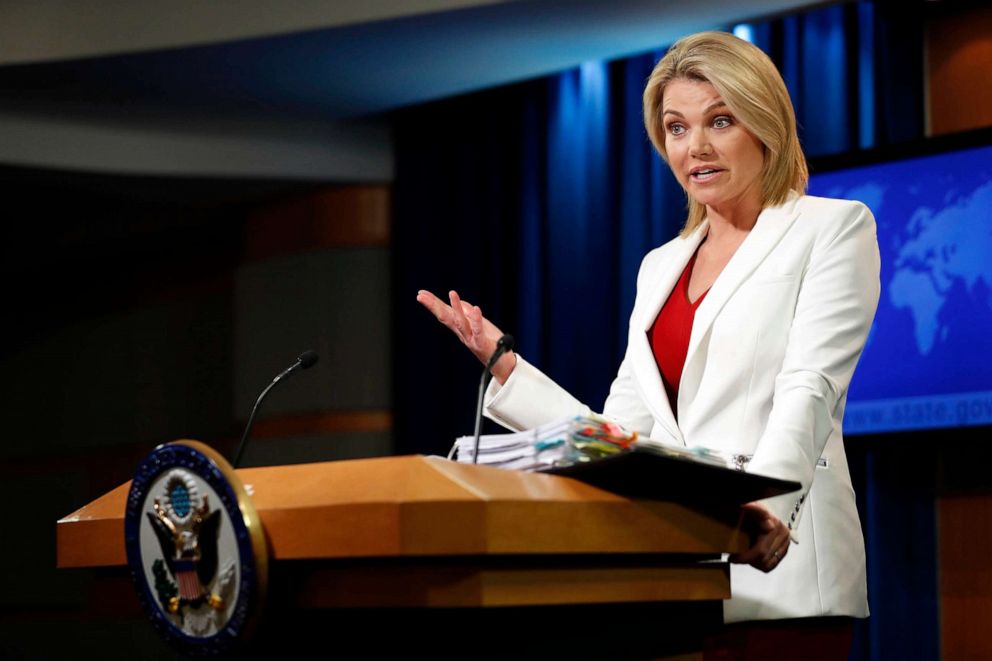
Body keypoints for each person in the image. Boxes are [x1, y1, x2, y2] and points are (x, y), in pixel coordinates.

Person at [417, 30, 878, 649]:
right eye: (677, 128)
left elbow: (810, 387)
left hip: (778, 569)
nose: (697, 148)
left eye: (720, 120)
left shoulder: (831, 227)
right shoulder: (660, 266)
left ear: (763, 121)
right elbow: (621, 441)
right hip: (674, 575)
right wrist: (505, 367)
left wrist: (763, 512)